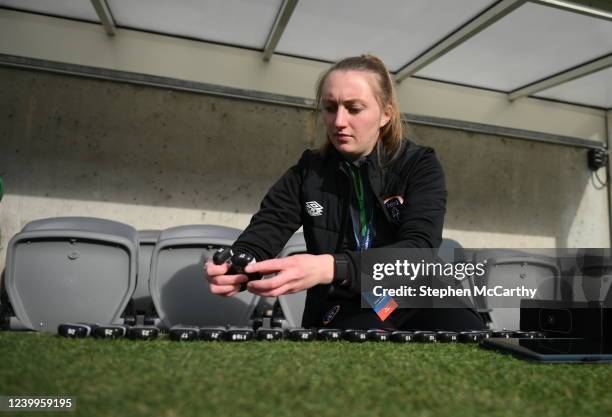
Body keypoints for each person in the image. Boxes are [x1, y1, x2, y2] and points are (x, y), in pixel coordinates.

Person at [205, 54, 484, 331]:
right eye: (330, 107)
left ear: (385, 114)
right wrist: (239, 263)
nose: (339, 121)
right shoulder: (308, 171)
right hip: (348, 302)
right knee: (361, 342)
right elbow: (269, 226)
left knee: (472, 336)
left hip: (416, 295)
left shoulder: (418, 164)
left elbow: (420, 251)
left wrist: (330, 267)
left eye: (354, 108)